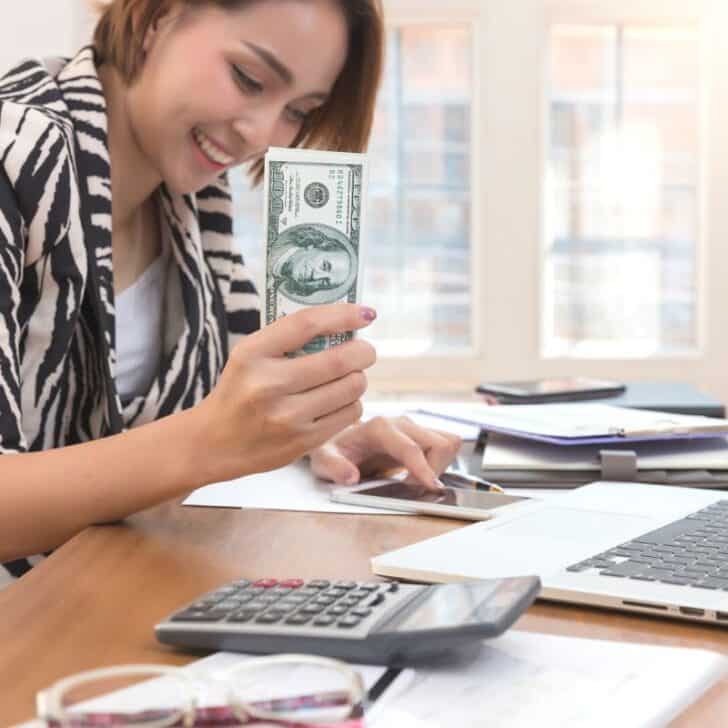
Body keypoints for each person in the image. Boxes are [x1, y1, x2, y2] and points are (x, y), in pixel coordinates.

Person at [0, 0, 461, 581]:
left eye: (299, 110)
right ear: (161, 15)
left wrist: (319, 437)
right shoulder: (16, 153)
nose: (260, 135)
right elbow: (203, 433)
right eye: (248, 78)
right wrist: (212, 440)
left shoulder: (189, 198)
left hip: (106, 600)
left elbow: (226, 405)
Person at [269, 224, 356, 302]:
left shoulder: (273, 285)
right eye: (324, 266)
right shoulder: (273, 245)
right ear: (315, 246)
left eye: (324, 282)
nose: (315, 276)